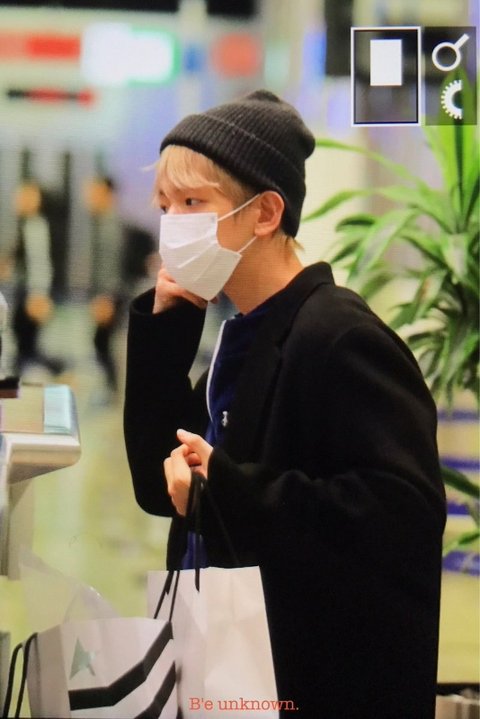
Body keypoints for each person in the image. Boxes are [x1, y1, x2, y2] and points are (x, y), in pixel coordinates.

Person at [123, 90, 446, 718]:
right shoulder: (246, 335)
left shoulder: (339, 337)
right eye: (165, 206)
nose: (173, 225)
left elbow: (401, 518)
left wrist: (227, 490)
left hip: (313, 678)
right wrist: (168, 331)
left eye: (192, 203)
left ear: (266, 213)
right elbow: (156, 486)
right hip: (233, 672)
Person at [9, 180, 65, 377]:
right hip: (26, 294)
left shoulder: (37, 226)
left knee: (31, 349)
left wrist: (39, 295)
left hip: (35, 296)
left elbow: (40, 264)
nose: (19, 200)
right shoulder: (26, 225)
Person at [84, 176, 126, 396]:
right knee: (102, 341)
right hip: (106, 295)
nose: (89, 198)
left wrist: (106, 298)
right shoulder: (101, 222)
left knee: (104, 342)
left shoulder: (110, 226)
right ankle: (110, 389)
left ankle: (111, 390)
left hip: (110, 296)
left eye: (95, 193)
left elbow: (110, 266)